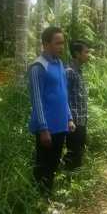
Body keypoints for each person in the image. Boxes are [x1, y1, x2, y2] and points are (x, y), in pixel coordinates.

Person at [28, 26, 76, 194]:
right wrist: (43, 128)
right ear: (46, 44)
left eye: (63, 43)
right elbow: (37, 100)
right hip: (47, 127)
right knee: (43, 166)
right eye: (58, 43)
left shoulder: (59, 63)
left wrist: (69, 118)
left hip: (60, 125)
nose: (61, 47)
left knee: (54, 163)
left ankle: (47, 197)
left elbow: (63, 94)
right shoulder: (38, 67)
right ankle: (39, 201)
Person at [64, 40, 91, 171]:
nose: (88, 55)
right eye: (86, 52)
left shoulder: (79, 71)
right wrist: (70, 120)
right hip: (73, 121)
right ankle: (69, 181)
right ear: (77, 53)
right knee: (73, 154)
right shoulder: (69, 72)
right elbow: (64, 97)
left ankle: (76, 179)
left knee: (79, 152)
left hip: (81, 120)